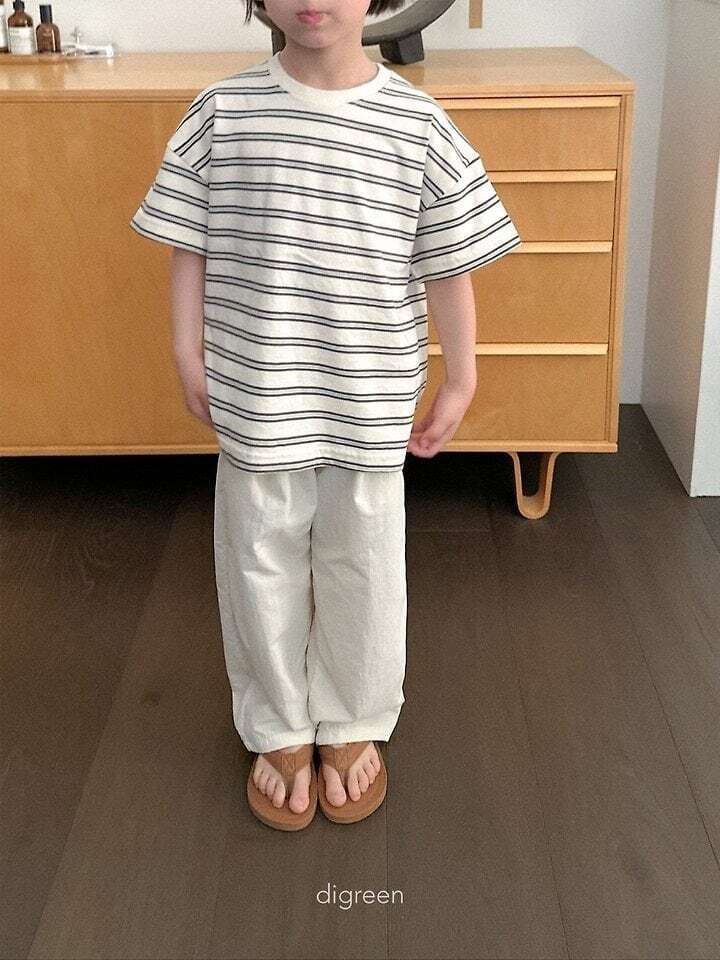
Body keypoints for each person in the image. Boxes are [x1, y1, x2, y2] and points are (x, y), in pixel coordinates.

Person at [129, 0, 521, 831]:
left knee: (365, 565)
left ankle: (353, 715)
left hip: (368, 399)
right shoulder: (221, 113)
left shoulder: (419, 125)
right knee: (257, 560)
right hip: (258, 391)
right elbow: (189, 244)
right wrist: (185, 350)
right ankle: (276, 722)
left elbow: (448, 261)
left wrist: (462, 374)